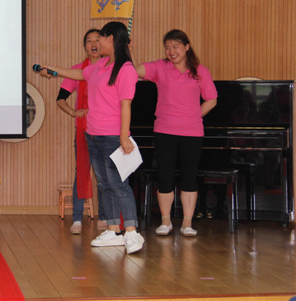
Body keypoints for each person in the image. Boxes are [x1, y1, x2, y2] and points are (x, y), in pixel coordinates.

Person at [39, 22, 144, 254]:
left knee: (118, 184)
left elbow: (126, 105)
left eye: (101, 38)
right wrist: (54, 69)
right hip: (93, 134)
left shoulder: (125, 68)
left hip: (113, 136)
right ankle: (113, 230)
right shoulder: (101, 65)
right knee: (104, 184)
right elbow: (80, 74)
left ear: (111, 39)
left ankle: (131, 231)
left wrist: (124, 136)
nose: (98, 42)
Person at [134, 29, 217, 237]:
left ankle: (187, 223)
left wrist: (194, 114)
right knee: (165, 176)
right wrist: (129, 52)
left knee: (189, 177)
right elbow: (136, 71)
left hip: (192, 132)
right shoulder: (160, 67)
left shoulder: (200, 71)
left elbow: (212, 99)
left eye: (176, 47)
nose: (172, 51)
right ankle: (166, 221)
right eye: (168, 47)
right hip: (164, 130)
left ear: (187, 47)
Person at [56, 29, 106, 234]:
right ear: (84, 46)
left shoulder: (110, 68)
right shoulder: (78, 70)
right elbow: (60, 99)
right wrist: (73, 112)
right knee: (82, 172)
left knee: (104, 174)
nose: (93, 44)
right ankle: (77, 218)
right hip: (84, 129)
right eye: (89, 41)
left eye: (97, 40)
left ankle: (105, 216)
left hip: (105, 129)